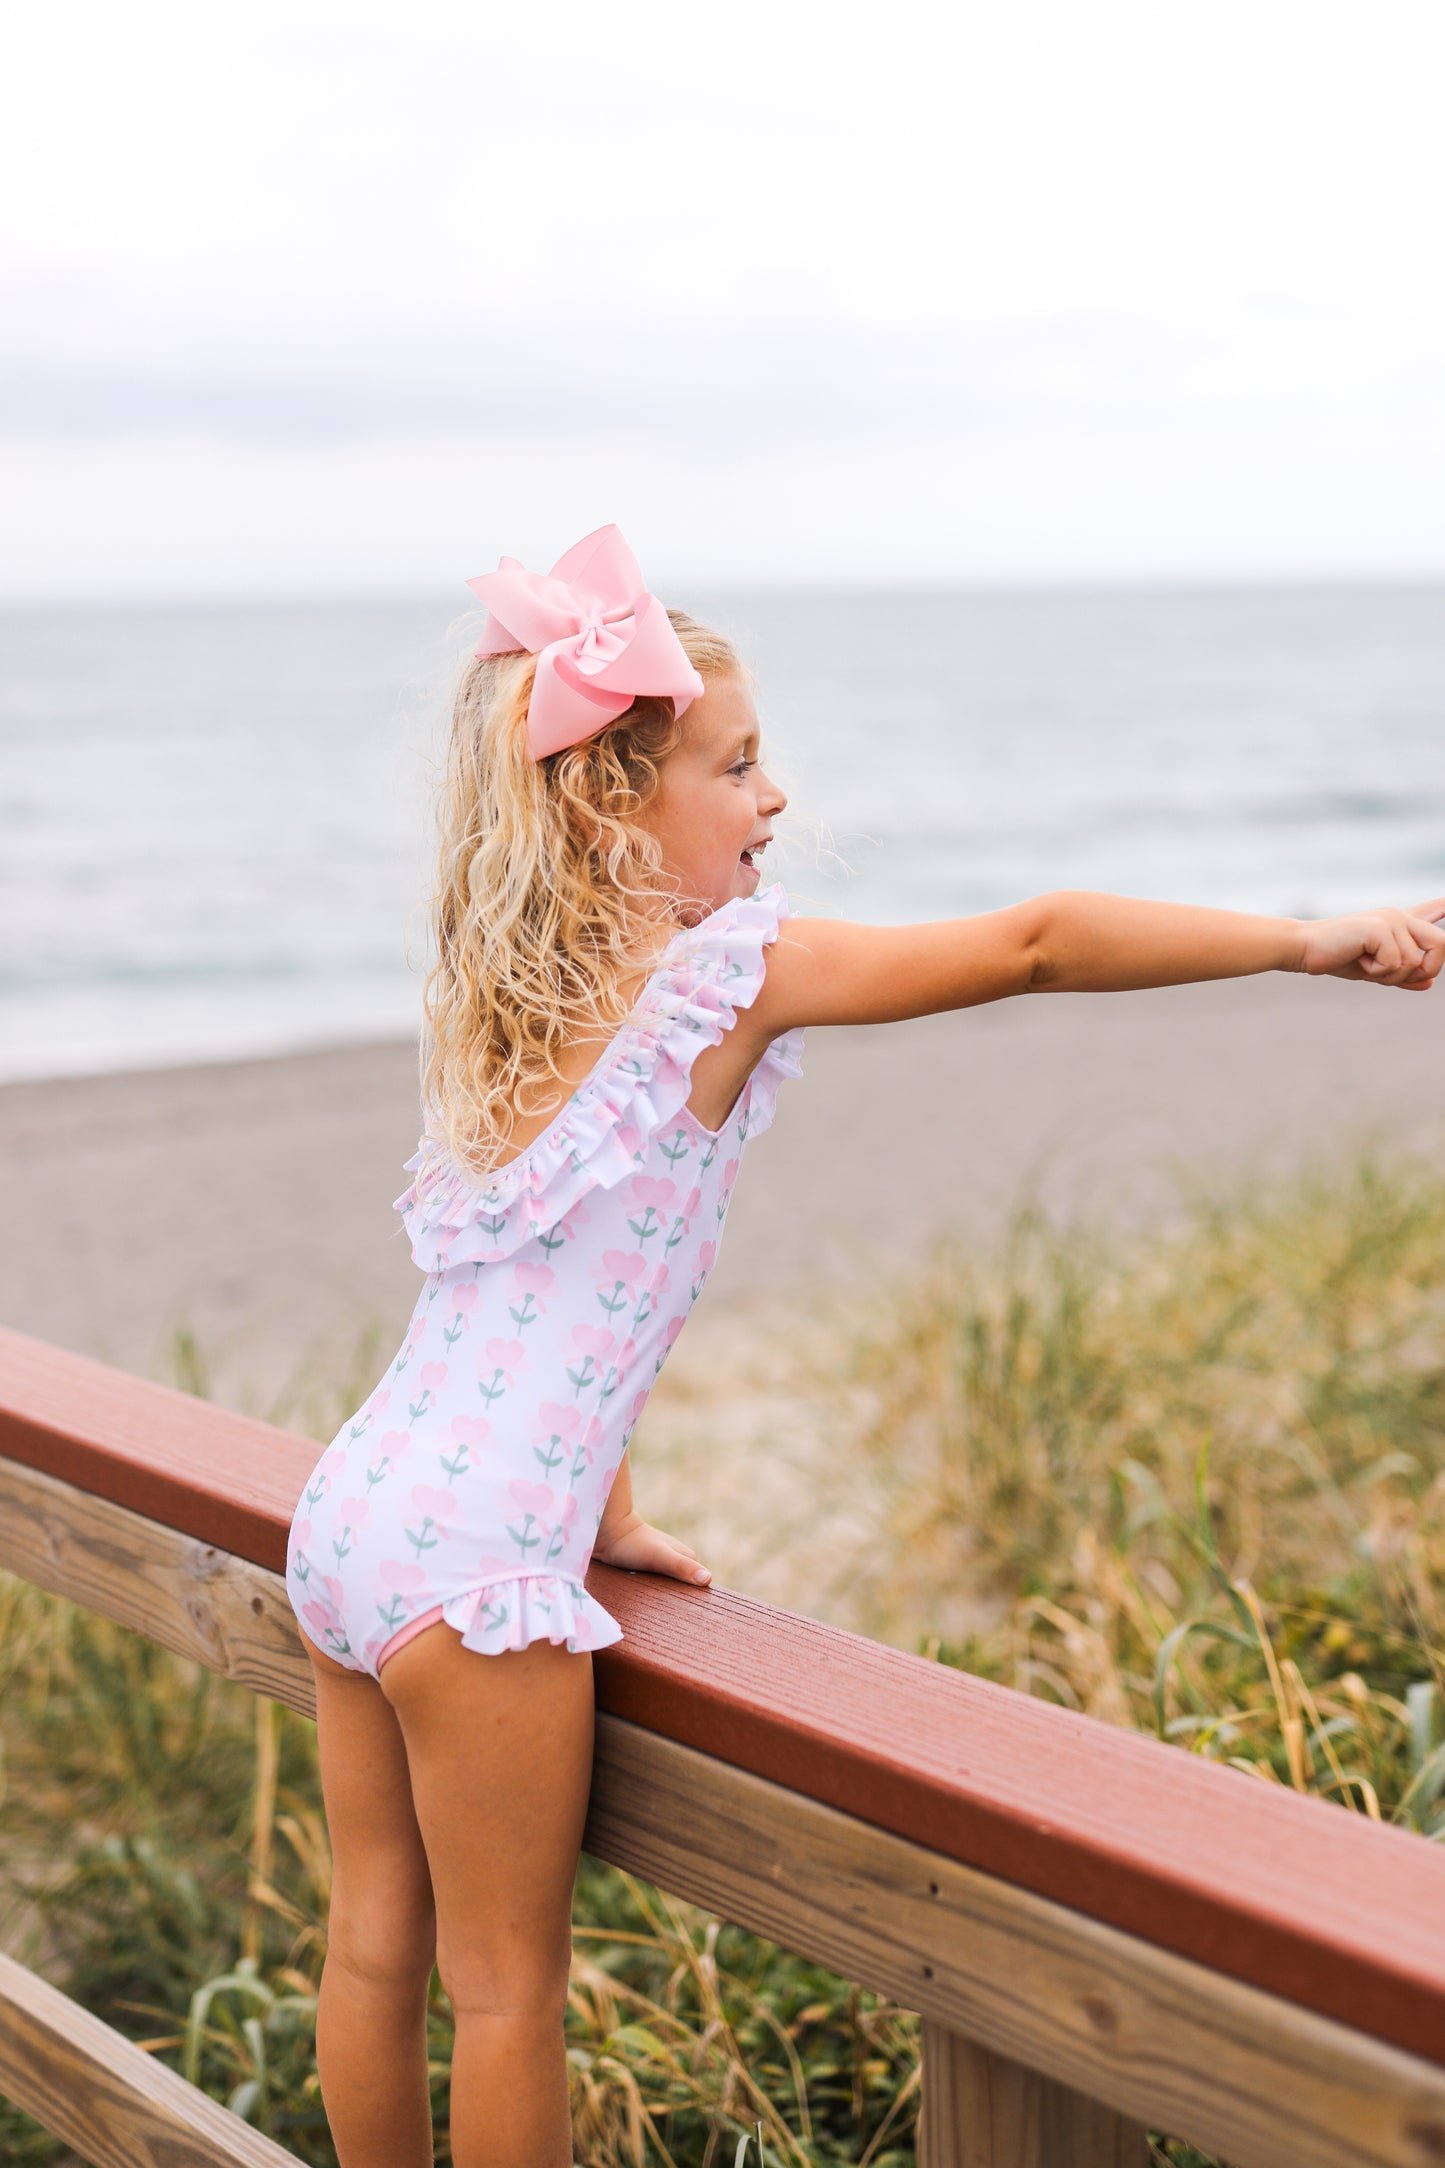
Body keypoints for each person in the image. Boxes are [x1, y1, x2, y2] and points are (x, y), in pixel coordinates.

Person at [284, 523, 1444, 2168]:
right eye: (736, 767)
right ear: (616, 802)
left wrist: (604, 1521)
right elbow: (1036, 941)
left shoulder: (497, 994)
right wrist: (1307, 939)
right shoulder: (722, 979)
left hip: (352, 1515)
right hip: (475, 1571)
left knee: (371, 1944)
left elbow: (540, 1295)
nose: (770, 803)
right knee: (505, 1992)